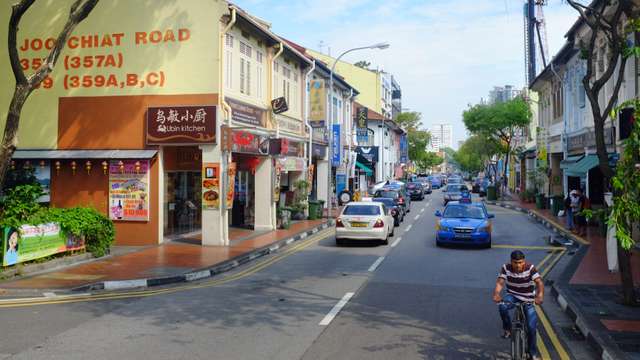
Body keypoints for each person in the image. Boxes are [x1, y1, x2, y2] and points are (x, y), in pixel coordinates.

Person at [493, 250, 545, 360]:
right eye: (515, 262)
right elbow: (500, 282)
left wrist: (539, 296)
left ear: (524, 261)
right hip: (512, 296)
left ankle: (532, 353)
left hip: (528, 299)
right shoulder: (506, 267)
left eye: (520, 262)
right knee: (502, 306)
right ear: (511, 261)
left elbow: (539, 282)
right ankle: (507, 329)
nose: (518, 265)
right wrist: (496, 294)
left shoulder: (530, 268)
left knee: (531, 328)